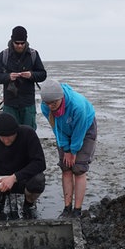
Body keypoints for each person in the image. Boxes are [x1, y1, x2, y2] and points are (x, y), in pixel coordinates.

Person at [40, 80, 97, 218]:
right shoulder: (45, 107)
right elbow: (56, 128)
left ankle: (77, 210)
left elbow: (79, 132)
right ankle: (67, 208)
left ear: (61, 98)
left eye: (54, 103)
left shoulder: (77, 106)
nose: (51, 106)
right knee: (66, 168)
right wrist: (65, 149)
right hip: (63, 131)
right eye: (48, 103)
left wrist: (73, 151)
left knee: (78, 169)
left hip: (85, 129)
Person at [0, 113, 46, 220]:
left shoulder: (28, 134)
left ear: (16, 132)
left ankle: (29, 203)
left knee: (38, 180)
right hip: (2, 178)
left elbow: (40, 163)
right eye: (2, 138)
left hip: (24, 177)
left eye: (9, 137)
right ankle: (0, 200)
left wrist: (14, 177)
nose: (6, 140)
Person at [0, 26, 47, 130]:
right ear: (12, 41)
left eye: (22, 43)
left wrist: (31, 75)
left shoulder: (33, 54)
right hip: (10, 104)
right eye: (17, 43)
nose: (20, 46)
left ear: (26, 41)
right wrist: (8, 77)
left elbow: (43, 74)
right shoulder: (3, 55)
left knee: (29, 133)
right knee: (9, 132)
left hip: (28, 103)